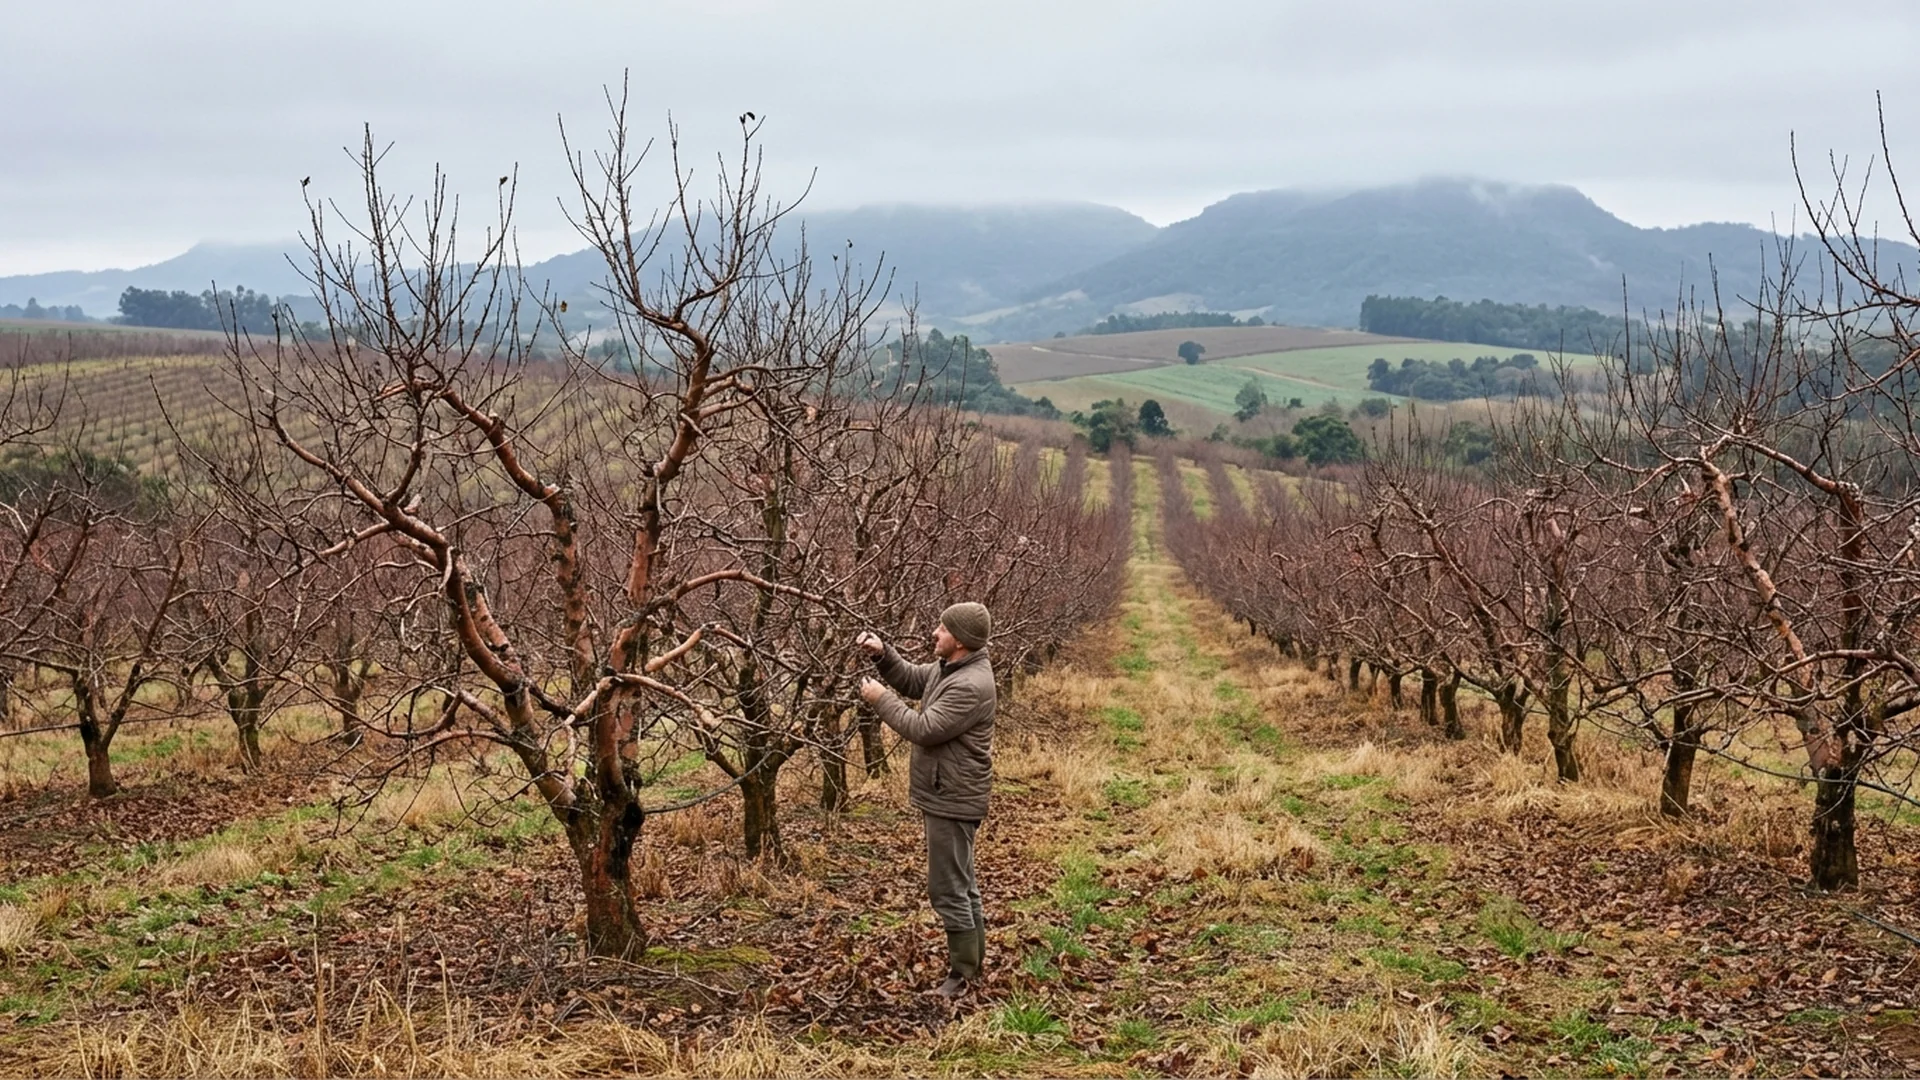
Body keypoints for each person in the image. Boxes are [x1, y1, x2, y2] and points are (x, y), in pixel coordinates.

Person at [857, 601, 996, 999]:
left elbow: (924, 728)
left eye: (943, 628)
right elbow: (915, 680)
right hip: (946, 791)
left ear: (962, 641)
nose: (935, 632)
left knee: (948, 886)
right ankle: (970, 968)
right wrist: (884, 655)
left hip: (953, 797)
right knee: (961, 882)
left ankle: (962, 976)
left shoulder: (971, 685)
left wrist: (879, 699)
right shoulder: (951, 669)